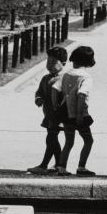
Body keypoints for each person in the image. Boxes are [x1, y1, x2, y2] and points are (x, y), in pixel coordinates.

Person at [52, 45, 96, 177]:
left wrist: (55, 106)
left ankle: (61, 167)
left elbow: (55, 89)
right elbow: (82, 95)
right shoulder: (86, 77)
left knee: (69, 141)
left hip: (66, 112)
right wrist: (79, 114)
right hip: (79, 114)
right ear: (89, 61)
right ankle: (81, 167)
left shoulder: (66, 74)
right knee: (88, 140)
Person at [27, 46, 68, 175]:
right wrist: (38, 99)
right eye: (48, 62)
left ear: (63, 63)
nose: (49, 65)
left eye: (53, 62)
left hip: (59, 116)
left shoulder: (65, 79)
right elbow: (39, 92)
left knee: (51, 138)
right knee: (52, 139)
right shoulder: (45, 78)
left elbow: (66, 97)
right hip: (49, 115)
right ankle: (59, 164)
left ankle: (44, 165)